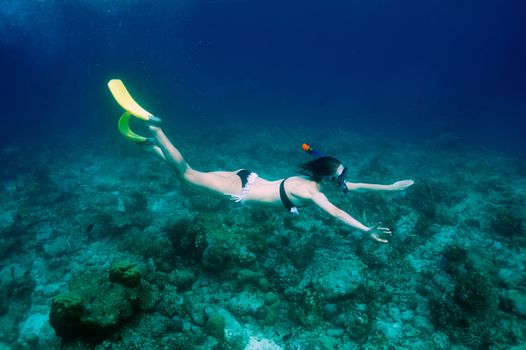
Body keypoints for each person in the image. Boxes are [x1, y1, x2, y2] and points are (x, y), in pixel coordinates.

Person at [107, 79, 414, 243]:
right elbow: (335, 214)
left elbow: (359, 188)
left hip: (246, 177)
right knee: (187, 175)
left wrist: (393, 188)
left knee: (186, 175)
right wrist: (365, 231)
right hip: (241, 190)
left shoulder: (315, 181)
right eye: (341, 177)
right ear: (329, 178)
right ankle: (156, 128)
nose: (345, 182)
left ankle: (148, 145)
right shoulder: (312, 192)